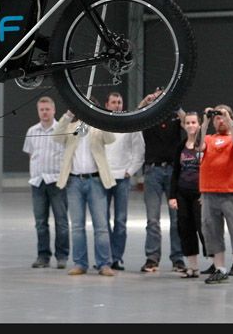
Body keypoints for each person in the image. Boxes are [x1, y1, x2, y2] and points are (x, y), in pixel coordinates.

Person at [53, 109, 117, 276]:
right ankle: (80, 263)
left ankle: (104, 264)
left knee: (101, 226)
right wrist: (67, 116)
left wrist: (101, 120)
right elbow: (56, 137)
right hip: (74, 181)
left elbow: (111, 139)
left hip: (95, 180)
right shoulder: (72, 127)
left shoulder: (98, 128)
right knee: (77, 226)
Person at [199, 105, 233, 285]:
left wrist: (230, 120)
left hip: (230, 192)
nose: (219, 120)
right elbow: (198, 147)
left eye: (222, 117)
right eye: (217, 118)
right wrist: (204, 122)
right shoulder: (208, 138)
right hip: (209, 191)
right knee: (212, 232)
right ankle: (219, 268)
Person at [138, 87, 187, 273]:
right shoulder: (148, 116)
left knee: (176, 219)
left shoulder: (174, 115)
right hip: (153, 171)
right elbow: (134, 116)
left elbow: (188, 123)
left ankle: (178, 258)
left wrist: (174, 104)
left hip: (173, 170)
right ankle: (152, 258)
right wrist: (146, 102)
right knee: (152, 219)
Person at [23, 96, 69, 269]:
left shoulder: (61, 130)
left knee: (61, 222)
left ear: (54, 110)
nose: (44, 112)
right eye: (41, 109)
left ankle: (62, 256)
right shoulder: (32, 131)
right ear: (38, 111)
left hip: (57, 182)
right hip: (37, 182)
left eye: (47, 109)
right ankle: (43, 256)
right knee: (40, 222)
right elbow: (30, 154)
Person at [102, 92, 145, 272]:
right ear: (107, 105)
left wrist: (130, 171)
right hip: (103, 177)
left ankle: (117, 258)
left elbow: (139, 150)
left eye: (119, 102)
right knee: (102, 221)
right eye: (113, 102)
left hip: (122, 178)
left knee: (120, 220)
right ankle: (104, 258)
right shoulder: (100, 122)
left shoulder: (129, 124)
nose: (117, 105)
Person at [169, 111, 206, 278]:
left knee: (202, 227)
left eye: (194, 122)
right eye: (188, 123)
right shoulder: (180, 146)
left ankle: (215, 263)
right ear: (184, 125)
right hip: (183, 193)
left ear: (199, 125)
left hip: (200, 193)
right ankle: (192, 266)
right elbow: (175, 172)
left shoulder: (204, 145)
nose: (191, 125)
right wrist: (172, 196)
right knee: (185, 228)